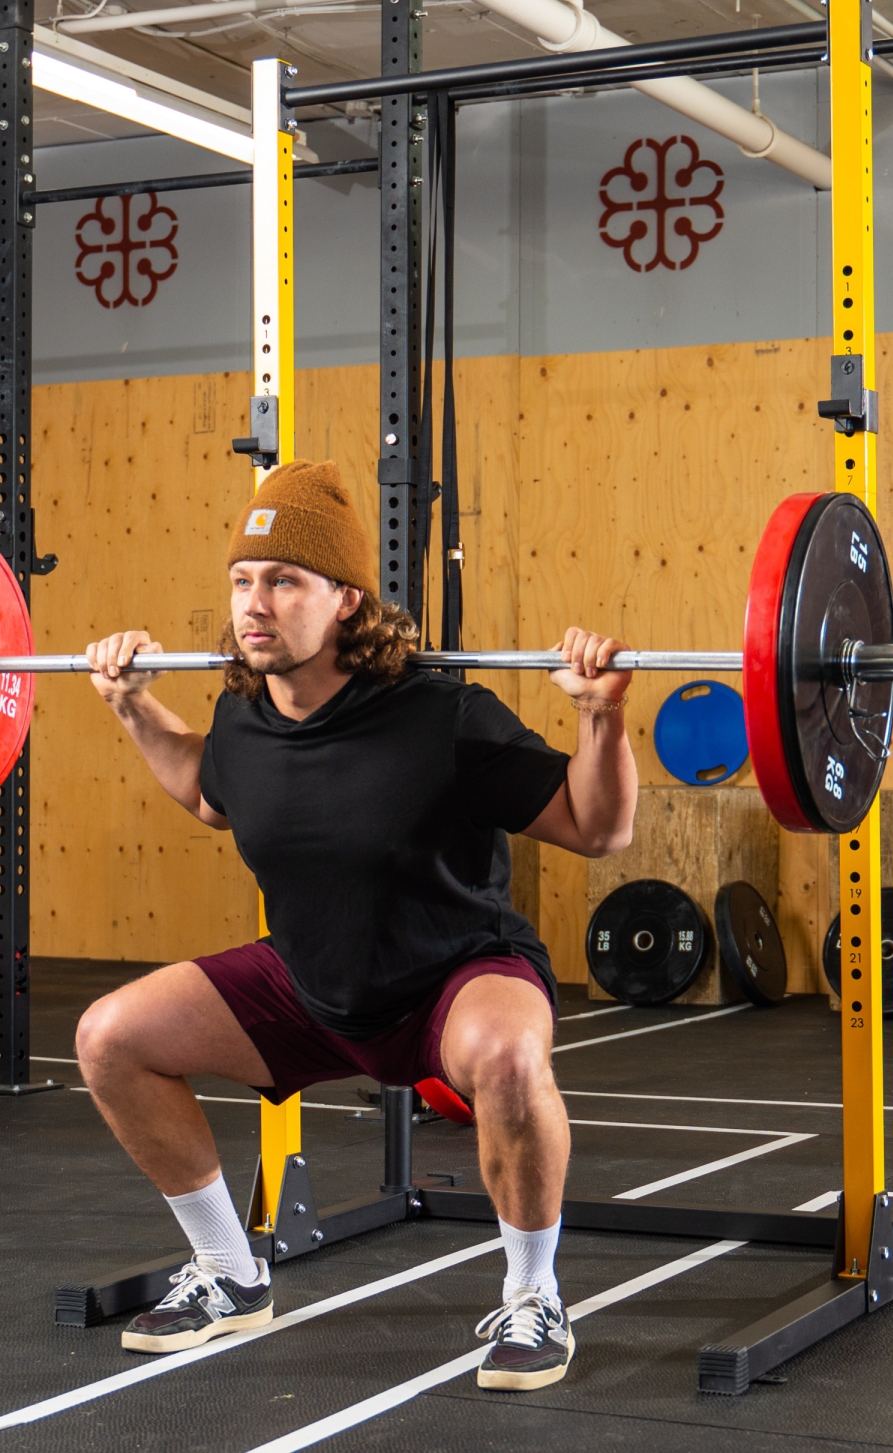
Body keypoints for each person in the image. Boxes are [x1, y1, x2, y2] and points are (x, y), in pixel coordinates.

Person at [77, 459, 637, 1392]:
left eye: (283, 581)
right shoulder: (243, 716)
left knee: (509, 1058)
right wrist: (132, 704)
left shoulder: (444, 715)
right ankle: (229, 1270)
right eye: (242, 581)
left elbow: (597, 828)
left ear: (346, 600)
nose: (254, 604)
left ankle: (534, 1294)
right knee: (111, 1038)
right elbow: (210, 793)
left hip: (454, 979)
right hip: (311, 984)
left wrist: (599, 719)